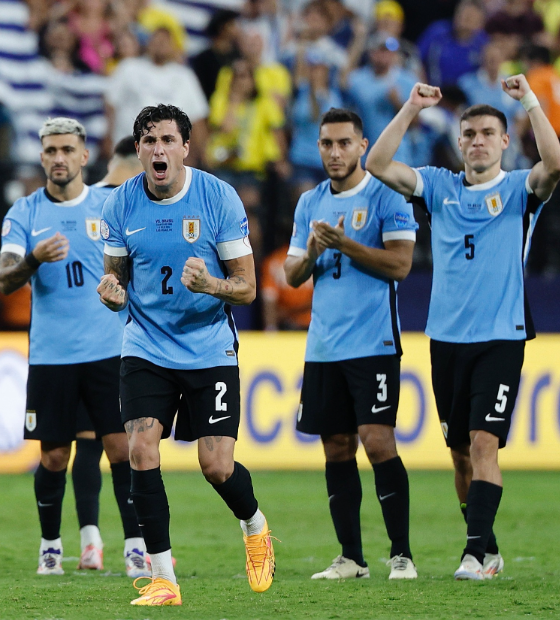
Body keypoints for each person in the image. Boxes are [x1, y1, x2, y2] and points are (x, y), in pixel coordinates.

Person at [366, 76, 560, 579]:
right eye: (468, 133)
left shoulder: (521, 190)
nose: (476, 140)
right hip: (446, 339)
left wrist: (531, 102)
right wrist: (410, 106)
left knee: (482, 444)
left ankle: (473, 554)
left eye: (486, 133)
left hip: (501, 337)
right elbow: (378, 164)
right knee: (459, 456)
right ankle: (488, 546)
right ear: (460, 143)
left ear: (504, 142)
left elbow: (556, 163)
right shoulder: (440, 186)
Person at [97, 103, 275, 606]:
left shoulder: (218, 197)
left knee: (216, 466)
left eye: (168, 140)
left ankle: (256, 529)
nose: (159, 149)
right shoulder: (120, 205)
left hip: (208, 347)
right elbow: (117, 280)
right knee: (140, 449)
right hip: (146, 345)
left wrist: (211, 283)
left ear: (185, 148)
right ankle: (163, 580)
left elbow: (247, 288)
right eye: (149, 141)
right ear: (138, 150)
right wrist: (110, 294)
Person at [0, 117, 147, 577]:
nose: (59, 158)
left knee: (124, 450)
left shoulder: (110, 204)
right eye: (50, 151)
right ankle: (50, 546)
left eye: (67, 150)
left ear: (85, 156)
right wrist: (32, 259)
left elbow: (139, 260)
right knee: (54, 456)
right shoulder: (24, 213)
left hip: (110, 352)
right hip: (52, 356)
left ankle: (136, 547)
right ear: (41, 157)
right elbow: (5, 279)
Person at [284, 108, 418, 581]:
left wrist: (345, 245)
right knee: (335, 447)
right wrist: (318, 250)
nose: (335, 152)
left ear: (363, 146)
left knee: (378, 441)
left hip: (374, 342)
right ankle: (351, 558)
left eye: (344, 143)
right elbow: (292, 276)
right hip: (323, 346)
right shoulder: (309, 202)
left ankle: (401, 554)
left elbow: (401, 265)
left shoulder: (388, 194)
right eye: (326, 144)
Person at [70, 134, 145, 571]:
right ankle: (128, 546)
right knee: (116, 449)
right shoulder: (120, 206)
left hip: (102, 344)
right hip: (109, 344)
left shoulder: (89, 205)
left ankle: (95, 543)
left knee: (99, 448)